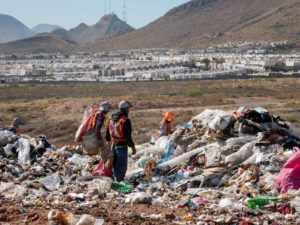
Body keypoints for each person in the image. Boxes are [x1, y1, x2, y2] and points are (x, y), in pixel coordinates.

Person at [106, 100, 136, 182]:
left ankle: (115, 181)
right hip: (122, 147)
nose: (129, 110)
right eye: (128, 109)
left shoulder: (111, 119)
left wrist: (108, 143)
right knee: (121, 167)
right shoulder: (125, 120)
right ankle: (118, 184)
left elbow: (107, 134)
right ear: (125, 109)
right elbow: (127, 137)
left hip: (113, 145)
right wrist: (132, 146)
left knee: (114, 165)